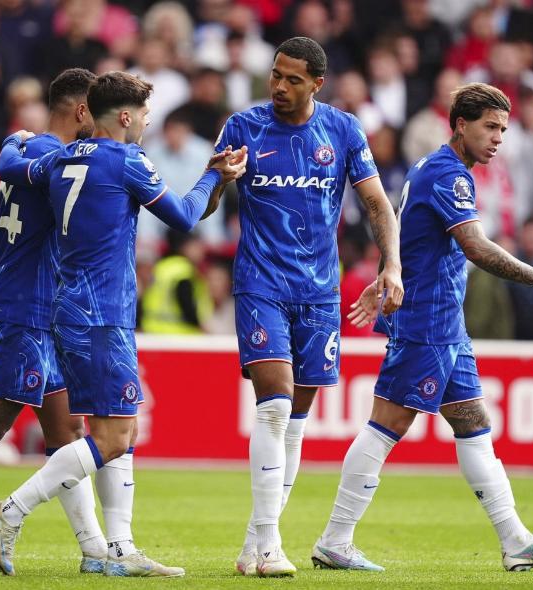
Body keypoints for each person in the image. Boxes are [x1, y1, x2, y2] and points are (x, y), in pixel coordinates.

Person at [313, 83, 533, 572]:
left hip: (445, 322)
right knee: (387, 425)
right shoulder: (448, 175)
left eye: (503, 129)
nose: (498, 138)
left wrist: (387, 272)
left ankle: (516, 541)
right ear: (461, 124)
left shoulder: (431, 168)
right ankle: (335, 540)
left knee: (473, 422)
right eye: (490, 127)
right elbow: (475, 246)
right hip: (428, 320)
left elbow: (404, 230)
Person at [0, 70, 247, 577]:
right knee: (109, 437)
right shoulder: (126, 159)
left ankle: (110, 549)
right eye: (145, 114)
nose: (149, 122)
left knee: (94, 429)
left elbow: (11, 165)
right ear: (122, 115)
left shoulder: (59, 158)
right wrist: (212, 175)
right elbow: (184, 216)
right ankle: (9, 511)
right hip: (97, 313)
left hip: (63, 308)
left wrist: (13, 141)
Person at [215, 36, 403, 577]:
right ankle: (271, 544)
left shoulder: (342, 130)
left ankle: (255, 545)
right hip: (261, 284)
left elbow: (377, 203)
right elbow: (205, 205)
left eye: (292, 79)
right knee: (274, 407)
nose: (279, 86)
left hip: (320, 291)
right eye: (275, 74)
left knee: (295, 419)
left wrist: (391, 265)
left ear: (317, 83)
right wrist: (220, 182)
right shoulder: (243, 127)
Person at [0, 68, 108, 574]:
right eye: (97, 114)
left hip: (39, 309)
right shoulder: (59, 161)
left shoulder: (28, 149)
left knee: (67, 431)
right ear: (81, 111)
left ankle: (95, 551)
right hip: (23, 310)